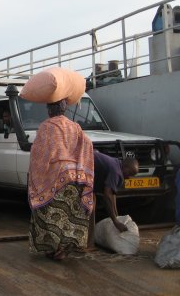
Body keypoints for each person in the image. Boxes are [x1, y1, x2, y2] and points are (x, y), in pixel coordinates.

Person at [28, 99, 94, 261]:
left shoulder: (46, 126)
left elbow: (40, 152)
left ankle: (53, 249)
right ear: (64, 110)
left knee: (50, 216)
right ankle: (63, 250)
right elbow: (87, 144)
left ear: (49, 110)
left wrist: (36, 175)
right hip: (74, 178)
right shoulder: (75, 126)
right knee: (70, 218)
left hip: (54, 179)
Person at [88, 151, 139, 248]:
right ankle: (87, 244)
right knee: (89, 207)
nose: (129, 177)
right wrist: (115, 221)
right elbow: (107, 195)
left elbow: (112, 195)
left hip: (88, 180)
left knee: (91, 204)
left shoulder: (117, 165)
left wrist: (117, 216)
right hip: (79, 174)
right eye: (130, 173)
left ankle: (89, 242)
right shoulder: (116, 171)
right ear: (125, 167)